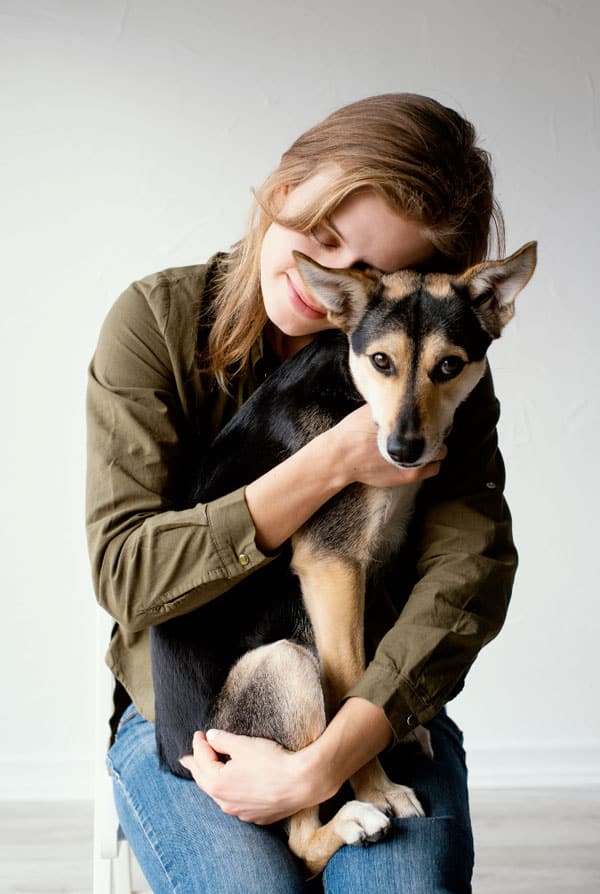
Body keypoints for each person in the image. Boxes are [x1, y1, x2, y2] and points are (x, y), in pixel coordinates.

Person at [86, 93, 517, 893]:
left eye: (368, 269)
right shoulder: (155, 322)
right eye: (320, 235)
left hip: (378, 700)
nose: (322, 278)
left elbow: (469, 575)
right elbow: (126, 575)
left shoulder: (436, 366)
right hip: (191, 713)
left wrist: (334, 758)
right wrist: (330, 463)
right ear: (284, 186)